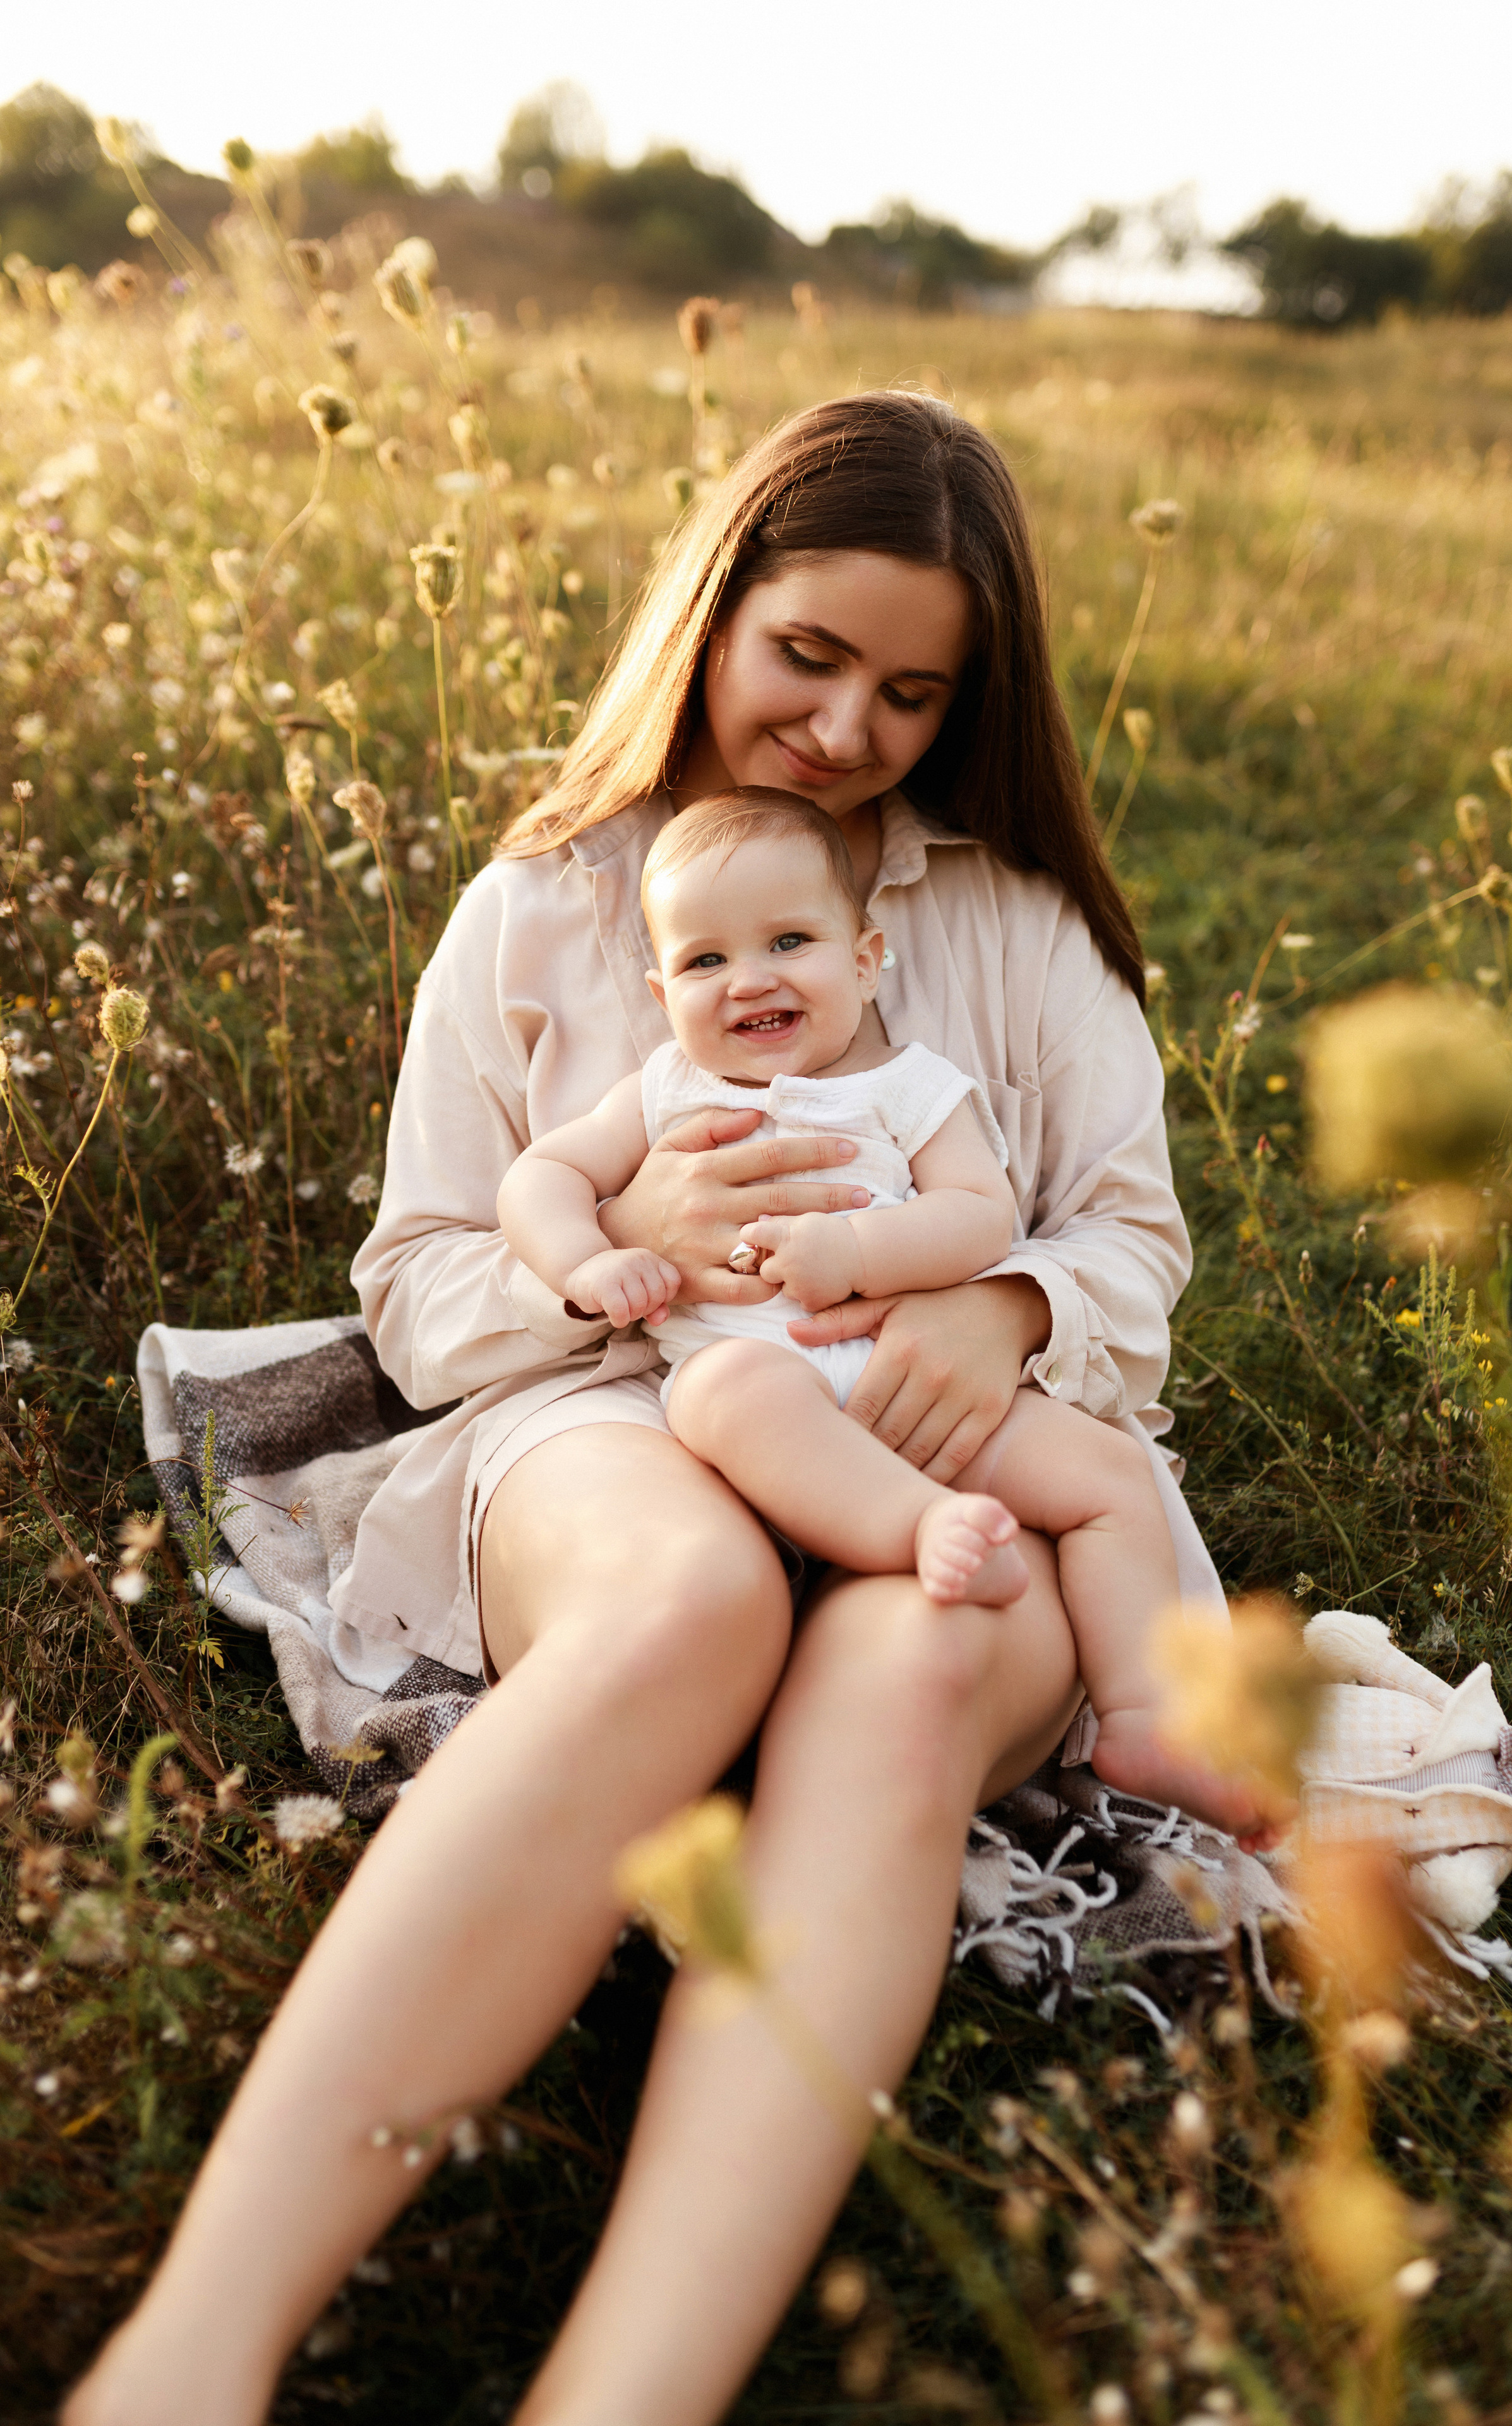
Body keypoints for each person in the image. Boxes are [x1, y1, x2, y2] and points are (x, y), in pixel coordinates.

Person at [68, 389, 1228, 2426]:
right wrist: (622, 1248)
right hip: (617, 1415)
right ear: (715, 607)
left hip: (948, 1448)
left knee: (901, 1665)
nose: (850, 725)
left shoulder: (1016, 930)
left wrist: (1017, 1299)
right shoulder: (539, 908)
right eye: (809, 654)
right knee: (692, 1606)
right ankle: (187, 2362)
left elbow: (1137, 1237)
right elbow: (424, 1277)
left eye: (912, 690)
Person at [501, 787, 1261, 1835]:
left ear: (864, 959)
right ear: (660, 988)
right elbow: (539, 1179)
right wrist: (592, 1258)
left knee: (1107, 1476)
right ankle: (920, 1526)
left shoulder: (914, 1089)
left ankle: (1146, 1715)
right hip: (763, 1397)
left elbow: (979, 1218)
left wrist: (853, 1250)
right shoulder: (664, 1090)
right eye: (705, 961)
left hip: (909, 1381)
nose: (751, 979)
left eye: (788, 941)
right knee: (724, 1390)